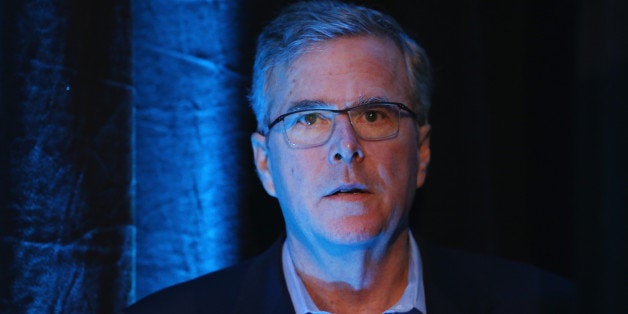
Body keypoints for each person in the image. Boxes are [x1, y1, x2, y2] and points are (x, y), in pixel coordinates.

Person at [125, 1, 574, 313]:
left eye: (374, 114)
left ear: (421, 151)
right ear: (265, 164)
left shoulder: (545, 305)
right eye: (309, 119)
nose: (346, 146)